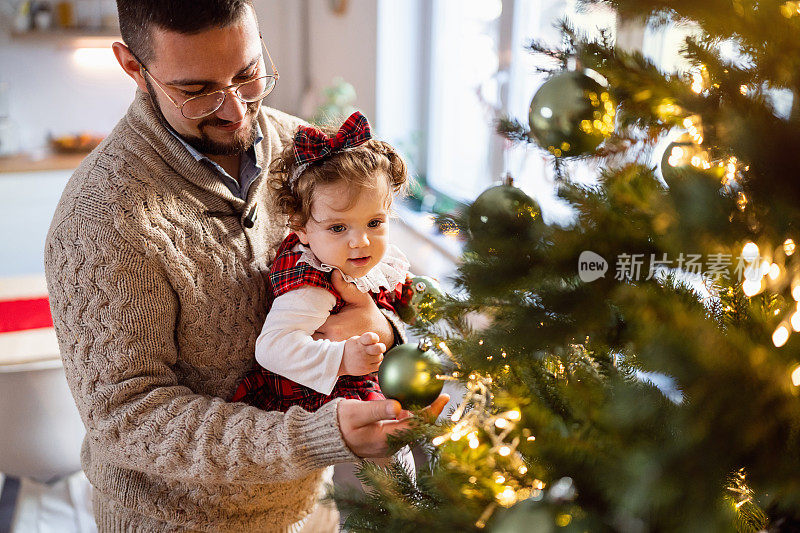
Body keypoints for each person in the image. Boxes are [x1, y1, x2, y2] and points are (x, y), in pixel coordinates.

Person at [42, 1, 448, 531]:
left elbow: (382, 263)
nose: (235, 109)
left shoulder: (304, 151)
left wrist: (381, 325)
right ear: (133, 68)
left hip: (311, 503)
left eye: (249, 73)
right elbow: (127, 417)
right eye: (197, 91)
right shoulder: (100, 217)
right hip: (174, 522)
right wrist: (319, 436)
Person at [231, 111, 411, 413]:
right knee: (391, 441)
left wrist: (387, 325)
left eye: (375, 222)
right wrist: (341, 358)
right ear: (301, 229)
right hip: (316, 407)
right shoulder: (311, 284)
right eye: (338, 228)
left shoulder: (355, 261)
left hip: (367, 386)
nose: (361, 241)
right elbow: (271, 348)